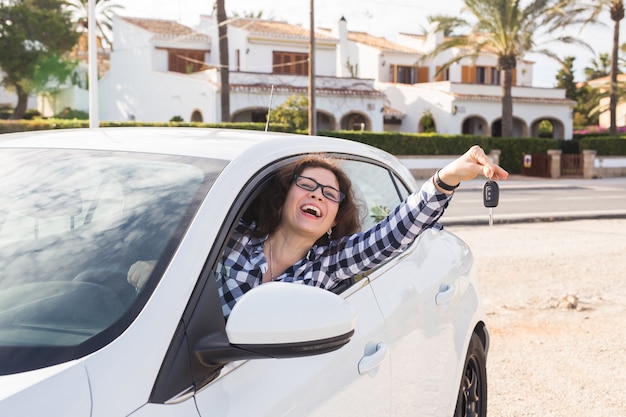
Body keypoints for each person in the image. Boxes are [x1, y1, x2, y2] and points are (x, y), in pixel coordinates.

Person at [128, 145, 508, 319]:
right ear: (284, 195)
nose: (318, 196)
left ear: (333, 219)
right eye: (308, 185)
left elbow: (395, 232)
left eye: (331, 194)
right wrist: (153, 270)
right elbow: (172, 244)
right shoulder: (232, 236)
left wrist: (445, 179)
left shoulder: (328, 264)